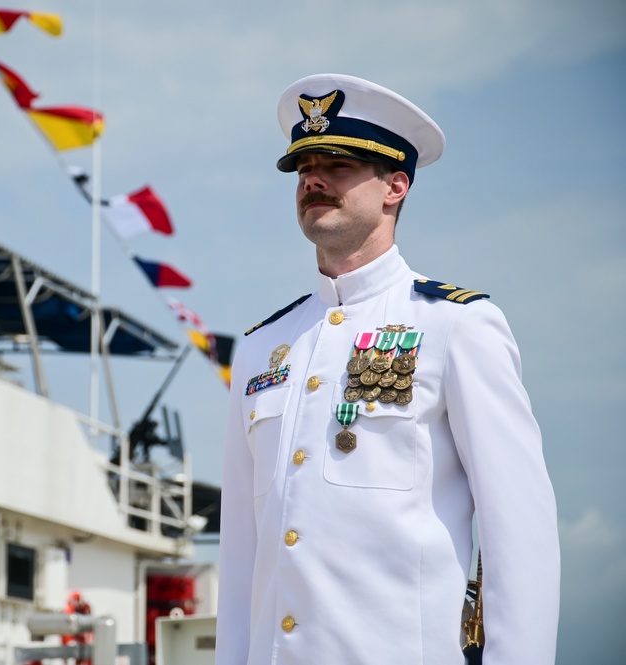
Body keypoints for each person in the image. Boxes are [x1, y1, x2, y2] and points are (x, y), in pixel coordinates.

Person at [215, 74, 560, 664]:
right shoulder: (261, 349)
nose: (314, 180)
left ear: (396, 185)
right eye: (303, 168)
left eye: (339, 165)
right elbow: (241, 556)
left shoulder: (457, 326)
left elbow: (520, 537)